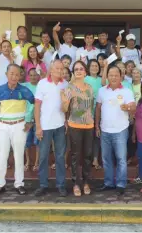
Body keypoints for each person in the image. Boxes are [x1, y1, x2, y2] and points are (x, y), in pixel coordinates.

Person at [0, 64, 34, 196]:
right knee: (2, 156)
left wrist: (30, 121)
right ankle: (0, 183)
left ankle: (19, 183)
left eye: (17, 74)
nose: (14, 76)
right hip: (3, 125)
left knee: (18, 155)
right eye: (12, 74)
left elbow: (34, 104)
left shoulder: (24, 90)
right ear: (6, 74)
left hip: (19, 126)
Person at [96, 65, 136, 196]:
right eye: (111, 75)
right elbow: (98, 109)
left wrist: (128, 108)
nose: (113, 77)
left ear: (121, 77)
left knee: (121, 159)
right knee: (106, 159)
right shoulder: (102, 91)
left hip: (121, 130)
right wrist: (97, 125)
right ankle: (108, 183)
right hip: (105, 130)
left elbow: (133, 108)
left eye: (116, 75)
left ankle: (120, 183)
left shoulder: (127, 91)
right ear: (107, 76)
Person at [34, 60, 69, 197]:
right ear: (51, 69)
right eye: (57, 68)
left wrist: (65, 119)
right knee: (43, 157)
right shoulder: (42, 83)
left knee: (60, 157)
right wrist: (38, 125)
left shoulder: (65, 84)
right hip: (45, 125)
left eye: (62, 69)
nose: (60, 71)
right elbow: (37, 106)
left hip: (60, 125)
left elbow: (66, 106)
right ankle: (43, 185)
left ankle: (61, 185)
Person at [61, 61, 94, 196]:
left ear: (85, 72)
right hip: (75, 125)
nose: (79, 71)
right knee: (75, 155)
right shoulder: (69, 88)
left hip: (89, 125)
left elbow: (90, 108)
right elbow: (64, 109)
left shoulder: (90, 88)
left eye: (81, 69)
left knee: (87, 155)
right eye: (76, 69)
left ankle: (86, 182)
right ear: (73, 72)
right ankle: (75, 183)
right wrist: (64, 101)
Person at [20, 68, 40, 172]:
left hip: (38, 118)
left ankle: (36, 163)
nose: (33, 77)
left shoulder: (41, 86)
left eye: (35, 75)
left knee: (37, 142)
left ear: (38, 76)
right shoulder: (24, 86)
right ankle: (27, 161)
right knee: (26, 142)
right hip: (26, 118)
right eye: (31, 75)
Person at [85, 59, 103, 170]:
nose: (94, 68)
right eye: (92, 66)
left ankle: (95, 159)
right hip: (87, 112)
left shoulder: (101, 80)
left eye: (96, 66)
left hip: (99, 112)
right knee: (88, 137)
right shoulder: (85, 79)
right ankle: (87, 159)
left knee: (97, 136)